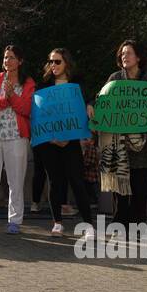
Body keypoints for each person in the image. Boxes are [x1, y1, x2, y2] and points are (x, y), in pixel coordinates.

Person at [95, 40, 147, 226]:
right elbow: (102, 103)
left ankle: (137, 226)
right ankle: (119, 224)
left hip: (144, 147)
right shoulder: (114, 78)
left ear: (139, 57)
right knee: (120, 189)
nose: (125, 56)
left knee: (141, 190)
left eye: (129, 53)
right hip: (119, 146)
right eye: (122, 54)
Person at [30, 48, 94, 236]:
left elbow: (89, 100)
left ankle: (88, 224)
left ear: (66, 63)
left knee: (77, 181)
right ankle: (57, 222)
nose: (53, 65)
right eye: (51, 62)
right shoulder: (43, 86)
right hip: (49, 143)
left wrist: (90, 105)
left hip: (71, 142)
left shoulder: (77, 85)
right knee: (55, 182)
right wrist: (51, 138)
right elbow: (37, 114)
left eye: (57, 61)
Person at [0, 45, 35, 235]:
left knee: (16, 180)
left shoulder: (27, 82)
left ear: (20, 61)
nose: (7, 61)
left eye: (11, 58)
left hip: (16, 137)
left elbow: (26, 109)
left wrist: (11, 95)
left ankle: (15, 221)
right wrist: (7, 98)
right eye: (5, 58)